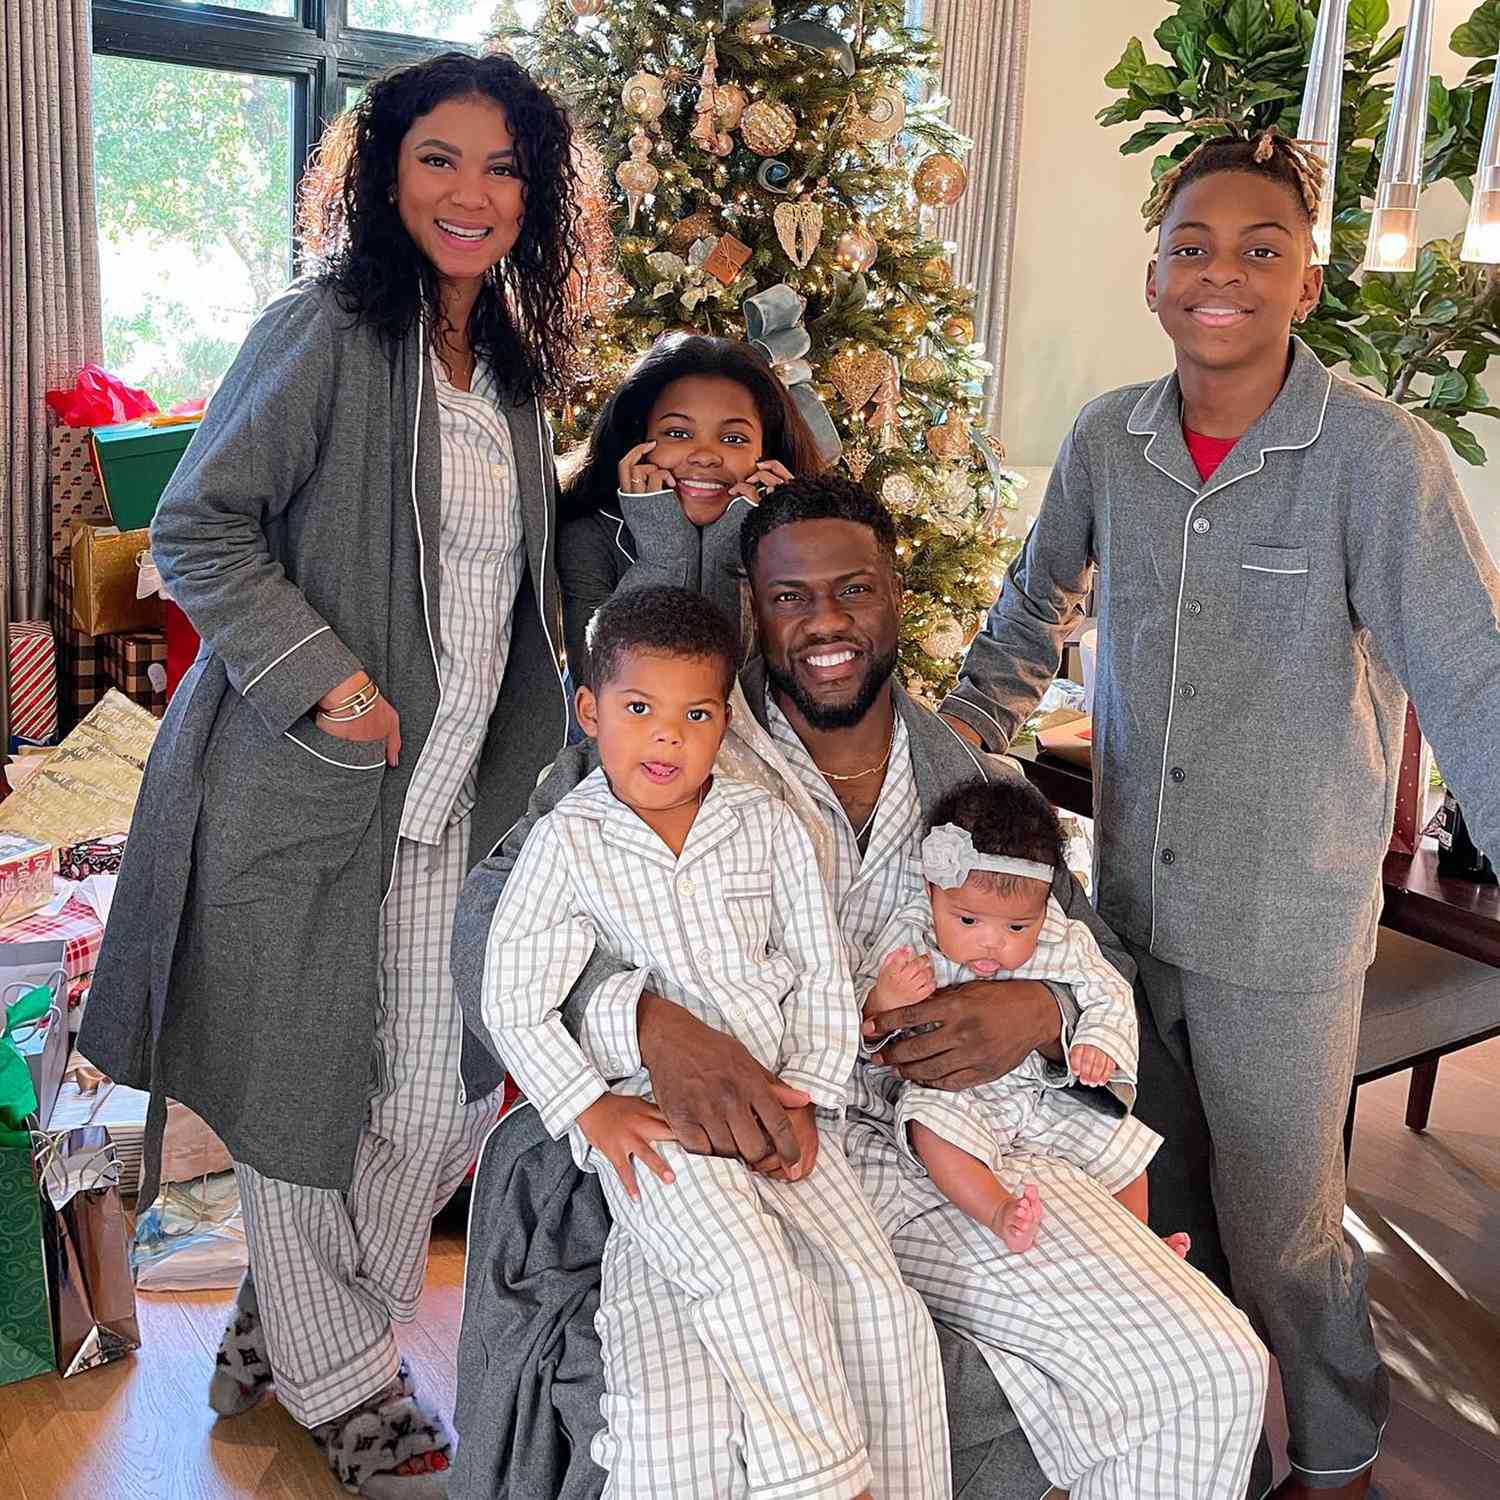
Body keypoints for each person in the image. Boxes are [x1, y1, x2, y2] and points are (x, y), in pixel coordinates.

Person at [448, 476, 1269, 1500]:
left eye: (855, 590)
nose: (826, 621)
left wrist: (1042, 1011)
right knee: (694, 1437)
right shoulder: (666, 742)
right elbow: (489, 929)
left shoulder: (975, 784)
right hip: (744, 1144)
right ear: (753, 608)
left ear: (897, 597)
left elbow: (1086, 954)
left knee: (1215, 1365)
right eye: (791, 598)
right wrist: (645, 1021)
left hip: (949, 1145)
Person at [938, 128, 1500, 1499]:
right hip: (1128, 914)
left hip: (1285, 933)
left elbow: (1470, 672)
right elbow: (1024, 625)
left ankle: (1341, 1453)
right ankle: (1204, 1441)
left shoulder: (1379, 460)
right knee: (1157, 1201)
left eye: (1261, 248)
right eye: (1192, 246)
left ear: (1306, 282)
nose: (1222, 274)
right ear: (1152, 278)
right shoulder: (1107, 443)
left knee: (1286, 1230)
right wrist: (928, 773)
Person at [78, 51, 582, 1498]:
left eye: (501, 165)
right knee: (301, 1093)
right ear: (385, 175)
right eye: (439, 159)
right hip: (303, 788)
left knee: (439, 1104)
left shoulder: (517, 371)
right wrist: (328, 678)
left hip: (455, 806)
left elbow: (530, 580)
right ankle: (345, 1380)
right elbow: (200, 528)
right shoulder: (322, 332)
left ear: (534, 189)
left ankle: (281, 1319)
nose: (471, 193)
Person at [482, 584, 950, 1500]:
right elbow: (513, 999)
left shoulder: (766, 826)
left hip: (780, 1107)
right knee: (749, 1278)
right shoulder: (570, 842)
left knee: (883, 1309)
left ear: (724, 718)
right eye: (639, 709)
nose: (667, 736)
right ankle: (824, 1483)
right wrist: (593, 1108)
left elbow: (819, 971)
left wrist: (810, 1091)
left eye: (696, 713)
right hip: (662, 1129)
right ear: (591, 712)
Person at [861, 776, 1188, 1257]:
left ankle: (1141, 1245)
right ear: (932, 892)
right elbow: (860, 1021)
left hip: (1039, 1091)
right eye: (968, 920)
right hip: (956, 1091)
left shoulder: (1061, 937)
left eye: (1017, 926)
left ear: (1043, 906)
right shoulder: (911, 936)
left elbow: (1107, 990)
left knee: (1121, 1146)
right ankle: (996, 1210)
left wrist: (1096, 1042)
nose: (992, 942)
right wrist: (883, 999)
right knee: (929, 1126)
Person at [557, 333, 822, 679]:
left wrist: (731, 555)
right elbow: (601, 682)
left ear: (765, 456)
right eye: (678, 433)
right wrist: (664, 554)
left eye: (733, 439)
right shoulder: (589, 536)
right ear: (640, 441)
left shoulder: (802, 544)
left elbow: (767, 690)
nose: (705, 456)